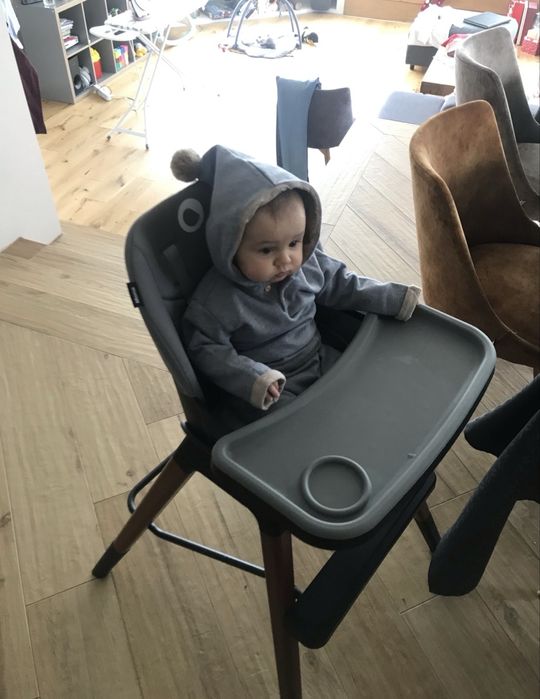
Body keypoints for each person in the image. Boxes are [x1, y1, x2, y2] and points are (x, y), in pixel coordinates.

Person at [172, 144, 420, 419]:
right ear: (230, 246)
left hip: (318, 356)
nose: (285, 260)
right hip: (272, 386)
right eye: (266, 250)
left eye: (294, 243)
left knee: (368, 389)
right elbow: (205, 347)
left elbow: (343, 284)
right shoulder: (218, 300)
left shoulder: (308, 265)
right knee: (304, 425)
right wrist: (253, 378)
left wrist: (391, 298)